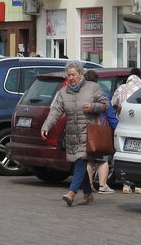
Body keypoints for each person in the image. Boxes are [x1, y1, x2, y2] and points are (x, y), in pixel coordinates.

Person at [41, 61, 108, 206]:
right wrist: (46, 126)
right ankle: (88, 193)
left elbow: (105, 105)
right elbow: (55, 111)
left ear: (81, 74)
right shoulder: (63, 92)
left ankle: (71, 193)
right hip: (72, 133)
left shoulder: (93, 88)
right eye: (69, 75)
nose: (70, 77)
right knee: (79, 162)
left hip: (88, 133)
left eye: (73, 74)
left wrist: (93, 107)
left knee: (81, 161)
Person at [111, 67, 141, 194]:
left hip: (124, 125)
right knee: (139, 156)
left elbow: (113, 103)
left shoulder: (121, 88)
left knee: (125, 155)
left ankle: (126, 185)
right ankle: (139, 186)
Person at [84, 69, 117, 195]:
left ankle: (89, 184)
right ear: (97, 80)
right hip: (101, 130)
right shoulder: (103, 94)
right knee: (103, 159)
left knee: (89, 160)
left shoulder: (82, 95)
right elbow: (110, 114)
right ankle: (103, 185)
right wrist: (116, 128)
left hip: (86, 129)